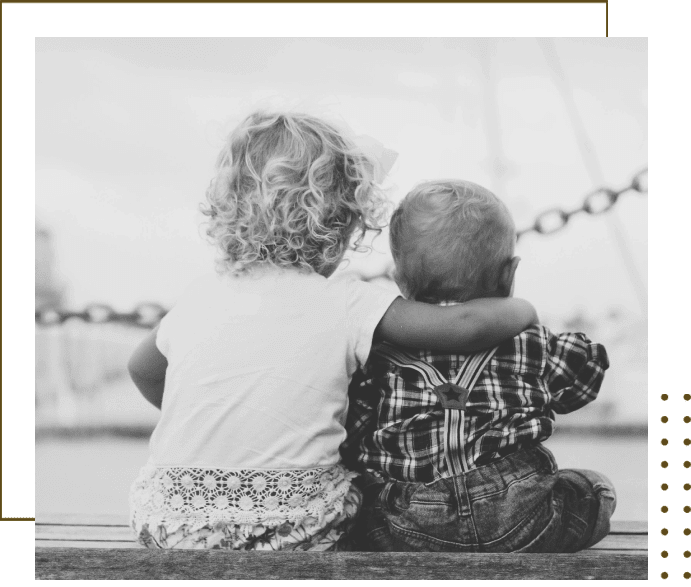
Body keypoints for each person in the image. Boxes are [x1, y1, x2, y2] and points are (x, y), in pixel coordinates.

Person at [127, 113, 537, 551]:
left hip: (167, 522)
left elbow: (143, 370)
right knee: (372, 490)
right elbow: (462, 325)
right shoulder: (346, 301)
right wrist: (522, 309)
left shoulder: (201, 296)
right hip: (291, 530)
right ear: (342, 227)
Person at [343, 179, 614, 553]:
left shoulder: (377, 360)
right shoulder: (531, 345)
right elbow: (583, 385)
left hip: (411, 528)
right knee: (594, 489)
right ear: (509, 274)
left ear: (400, 281)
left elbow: (353, 435)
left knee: (362, 510)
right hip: (523, 519)